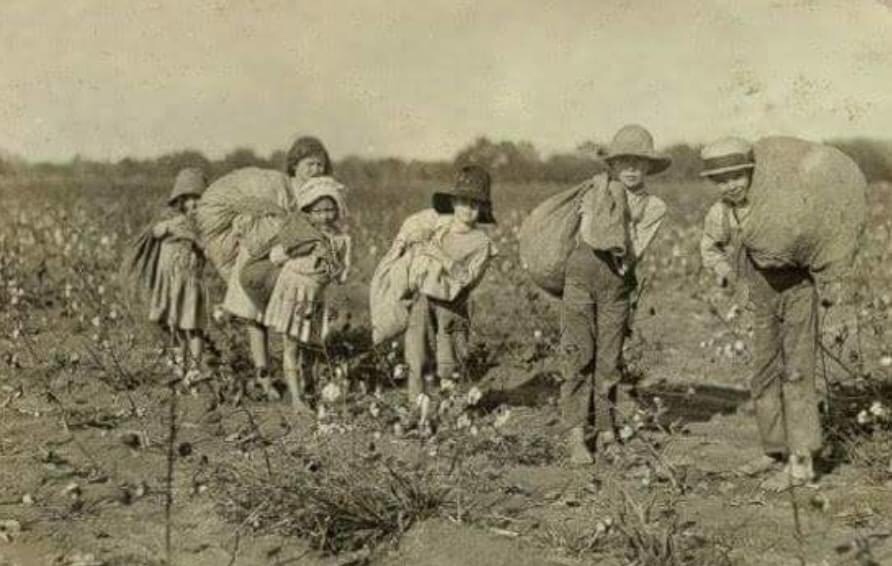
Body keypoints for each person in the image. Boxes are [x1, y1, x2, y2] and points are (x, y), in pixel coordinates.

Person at [699, 137, 822, 490]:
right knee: (763, 374)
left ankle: (801, 464)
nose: (731, 185)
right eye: (722, 180)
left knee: (797, 372)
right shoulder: (721, 213)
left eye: (737, 176)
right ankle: (775, 449)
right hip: (761, 296)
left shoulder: (776, 203)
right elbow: (709, 247)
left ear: (752, 174)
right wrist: (725, 271)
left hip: (798, 291)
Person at [561, 124, 670, 465]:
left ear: (649, 166)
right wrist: (610, 213)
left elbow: (633, 249)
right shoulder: (594, 191)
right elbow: (588, 235)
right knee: (579, 356)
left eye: (639, 162)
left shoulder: (654, 206)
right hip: (580, 278)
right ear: (613, 165)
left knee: (608, 363)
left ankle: (607, 431)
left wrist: (616, 219)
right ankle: (576, 433)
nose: (632, 168)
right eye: (624, 161)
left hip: (617, 285)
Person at [221, 136, 332, 401]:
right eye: (310, 164)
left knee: (295, 317)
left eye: (320, 164)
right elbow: (257, 215)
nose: (315, 169)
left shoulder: (322, 191)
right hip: (261, 255)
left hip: (293, 262)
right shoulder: (280, 187)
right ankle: (264, 377)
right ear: (295, 165)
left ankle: (301, 377)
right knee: (255, 317)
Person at [403, 165, 498, 404]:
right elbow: (420, 255)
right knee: (417, 348)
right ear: (454, 203)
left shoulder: (481, 243)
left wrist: (442, 257)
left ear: (483, 209)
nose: (468, 209)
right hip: (425, 297)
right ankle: (418, 403)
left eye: (475, 204)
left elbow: (467, 278)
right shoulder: (440, 229)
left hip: (452, 304)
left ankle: (450, 404)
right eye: (464, 202)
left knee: (450, 355)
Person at [261, 178, 350, 414]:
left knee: (311, 347)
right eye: (319, 211)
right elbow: (276, 257)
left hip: (316, 296)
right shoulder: (299, 233)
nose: (325, 216)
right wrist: (303, 248)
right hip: (293, 291)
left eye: (330, 209)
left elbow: (342, 275)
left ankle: (309, 390)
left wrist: (332, 265)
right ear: (308, 211)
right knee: (291, 345)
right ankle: (296, 399)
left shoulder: (341, 239)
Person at [147, 168, 209, 379]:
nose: (194, 204)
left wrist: (193, 237)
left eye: (198, 199)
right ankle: (178, 363)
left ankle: (195, 368)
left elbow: (207, 249)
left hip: (190, 280)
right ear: (180, 201)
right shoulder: (171, 220)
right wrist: (170, 227)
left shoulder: (202, 225)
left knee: (193, 324)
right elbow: (155, 232)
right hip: (170, 281)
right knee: (172, 323)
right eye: (189, 199)